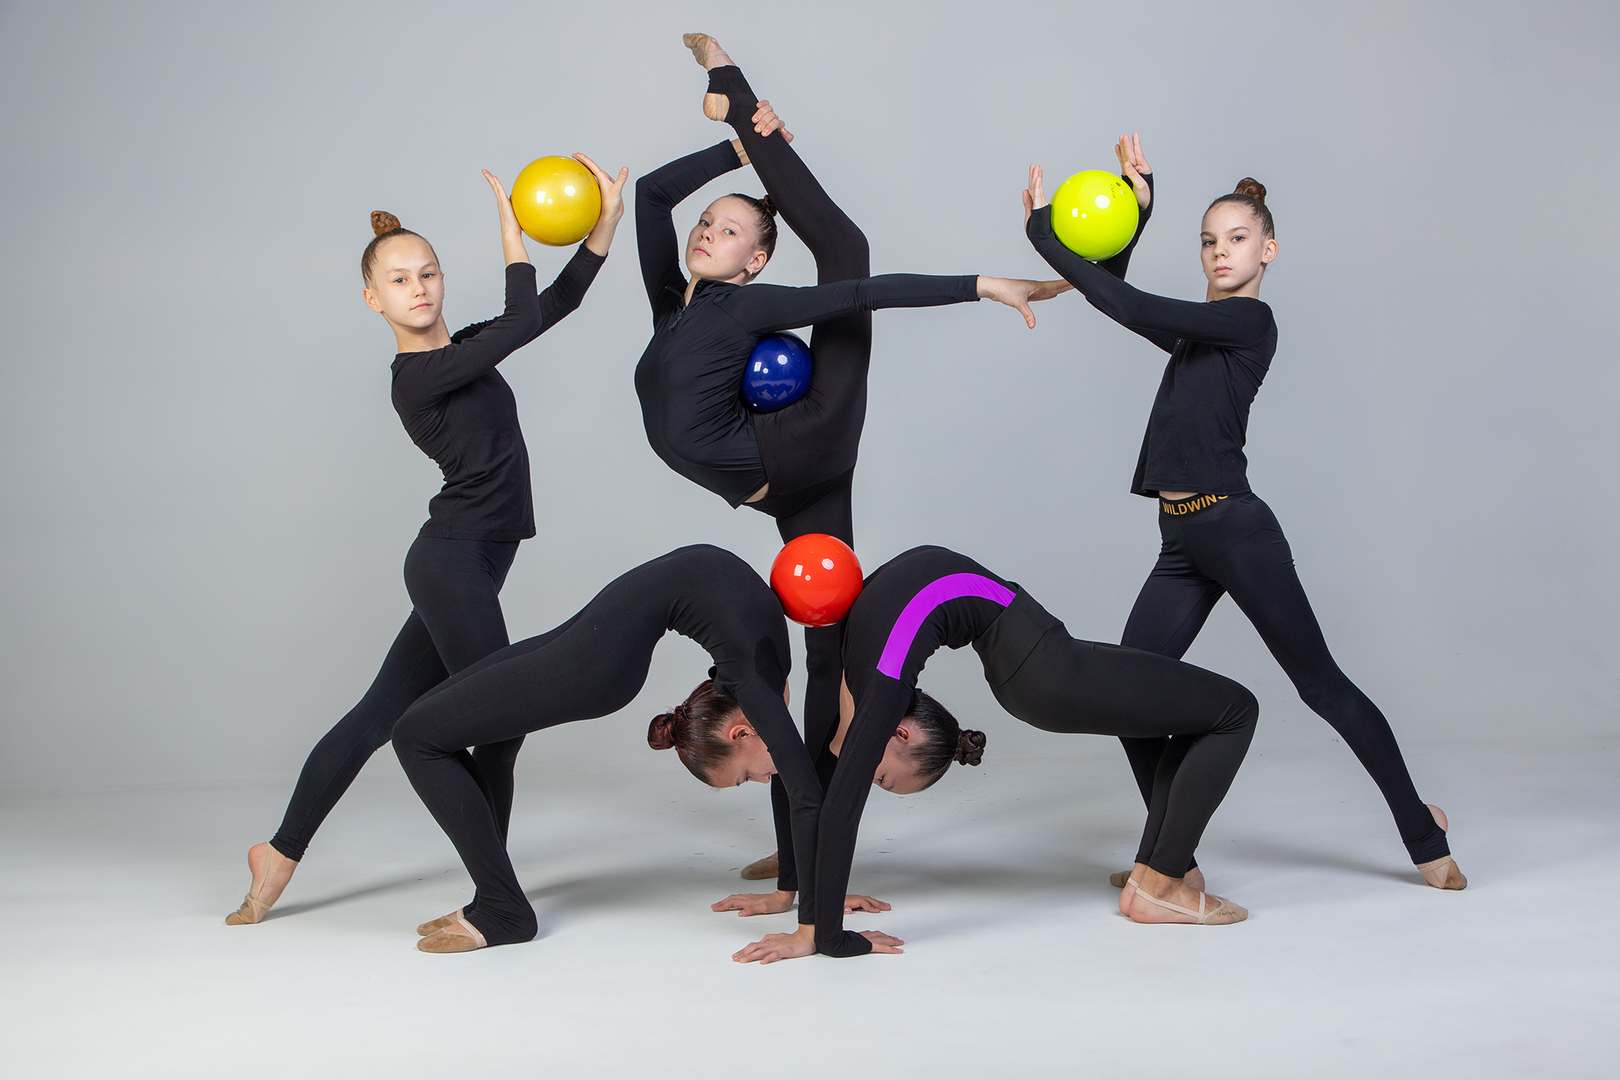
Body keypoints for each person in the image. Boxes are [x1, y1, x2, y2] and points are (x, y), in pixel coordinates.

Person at [640, 35, 1065, 887]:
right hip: (783, 486)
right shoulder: (674, 304)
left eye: (731, 231)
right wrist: (735, 145)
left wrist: (983, 285)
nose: (709, 233)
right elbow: (651, 197)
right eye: (708, 224)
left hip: (804, 439)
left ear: (756, 260)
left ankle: (737, 84)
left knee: (849, 258)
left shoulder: (744, 305)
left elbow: (861, 295)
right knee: (823, 650)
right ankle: (802, 855)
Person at [1022, 140, 1464, 890]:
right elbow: (1120, 300)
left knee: (1320, 685)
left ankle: (1422, 829)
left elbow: (1128, 303)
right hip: (1179, 543)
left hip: (1235, 529)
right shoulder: (1199, 330)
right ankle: (1172, 862)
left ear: (1268, 249)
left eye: (1236, 239)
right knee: (1123, 700)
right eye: (1208, 241)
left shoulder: (1250, 324)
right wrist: (1138, 214)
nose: (1220, 252)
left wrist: (1042, 234)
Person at [224, 157, 629, 925]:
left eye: (429, 273)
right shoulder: (415, 378)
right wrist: (511, 232)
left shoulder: (464, 350)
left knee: (378, 716)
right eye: (400, 279)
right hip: (453, 562)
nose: (419, 288)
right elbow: (520, 320)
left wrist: (604, 223)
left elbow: (557, 303)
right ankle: (495, 890)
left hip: (472, 559)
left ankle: (277, 853)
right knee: (499, 724)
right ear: (373, 299)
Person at [730, 546, 1261, 964]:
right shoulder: (862, 689)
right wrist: (810, 906)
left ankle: (1161, 872)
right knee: (1231, 711)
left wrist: (820, 929)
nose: (870, 778)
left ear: (902, 735)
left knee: (1217, 712)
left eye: (886, 781)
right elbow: (820, 791)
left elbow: (837, 808)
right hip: (1039, 670)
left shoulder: (875, 694)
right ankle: (1162, 882)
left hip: (1048, 669)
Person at [389, 545, 861, 953]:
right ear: (739, 733)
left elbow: (788, 779)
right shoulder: (757, 686)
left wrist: (789, 895)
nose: (761, 778)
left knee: (420, 735)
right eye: (745, 777)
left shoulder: (760, 687)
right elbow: (804, 794)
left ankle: (499, 904)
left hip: (599, 646)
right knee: (419, 735)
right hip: (593, 663)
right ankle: (495, 901)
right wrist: (813, 926)